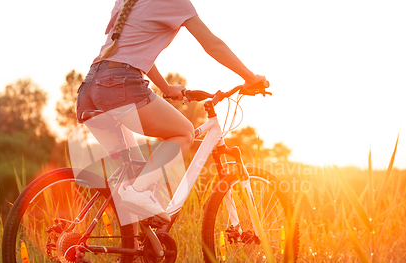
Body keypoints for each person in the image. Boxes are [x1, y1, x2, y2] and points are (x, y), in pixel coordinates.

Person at [76, 0, 265, 228]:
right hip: (119, 86)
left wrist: (166, 89)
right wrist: (250, 77)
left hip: (89, 89)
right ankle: (138, 191)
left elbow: (131, 52)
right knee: (184, 132)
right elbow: (213, 45)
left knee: (135, 174)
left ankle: (134, 261)